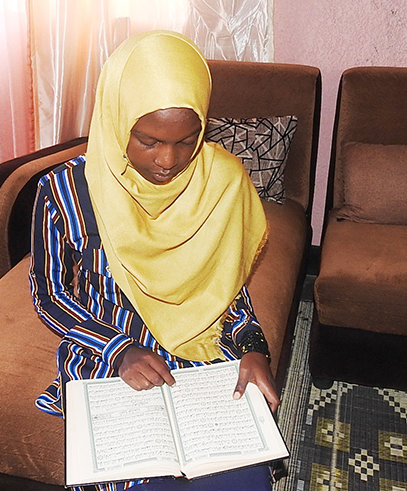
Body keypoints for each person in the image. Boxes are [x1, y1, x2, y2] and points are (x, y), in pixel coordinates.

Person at [29, 30, 278, 491]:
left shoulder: (223, 180)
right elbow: (49, 294)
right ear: (116, 119)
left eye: (187, 141)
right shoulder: (65, 191)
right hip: (110, 350)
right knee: (140, 478)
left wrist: (253, 347)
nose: (168, 160)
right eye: (147, 141)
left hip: (201, 346)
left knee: (240, 475)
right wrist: (118, 350)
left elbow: (226, 288)